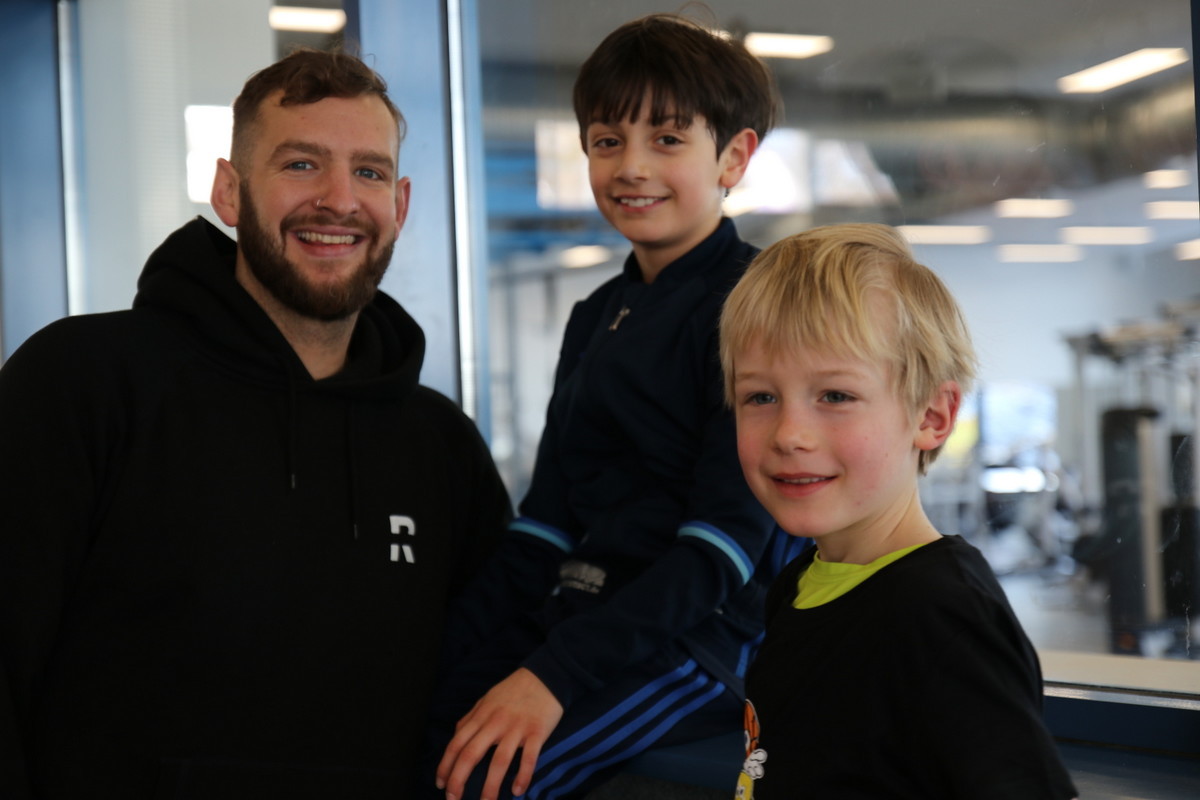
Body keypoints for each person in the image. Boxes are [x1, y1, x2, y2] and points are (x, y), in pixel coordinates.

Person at [0, 48, 510, 799]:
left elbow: (489, 679)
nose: (339, 200)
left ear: (400, 206)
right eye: (301, 164)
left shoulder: (441, 448)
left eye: (369, 172)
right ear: (229, 192)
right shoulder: (83, 382)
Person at [430, 14, 803, 800]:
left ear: (734, 157)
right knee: (413, 722)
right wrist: (439, 651)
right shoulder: (595, 314)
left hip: (700, 641)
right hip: (587, 615)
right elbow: (547, 522)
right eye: (607, 140)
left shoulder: (755, 308)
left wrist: (551, 676)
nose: (632, 167)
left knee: (486, 780)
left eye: (667, 139)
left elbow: (721, 552)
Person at [719, 224, 1079, 798]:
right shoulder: (797, 584)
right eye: (760, 397)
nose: (789, 434)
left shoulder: (942, 615)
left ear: (932, 416)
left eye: (835, 396)